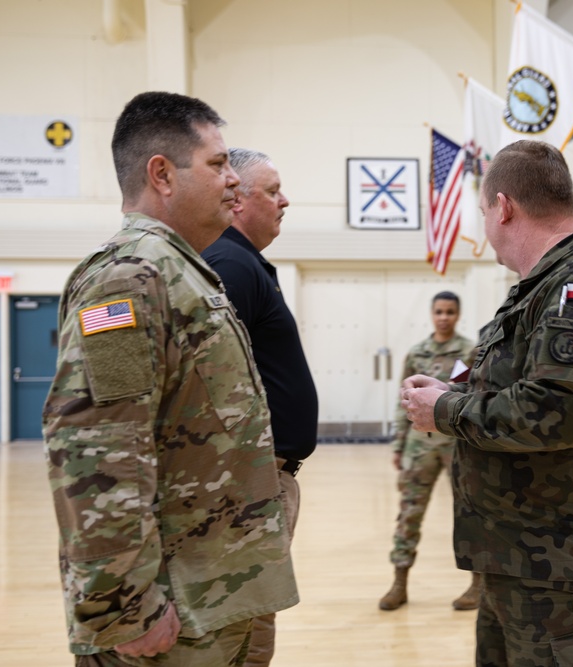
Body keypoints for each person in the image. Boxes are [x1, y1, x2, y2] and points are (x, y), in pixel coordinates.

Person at [42, 91, 298, 667]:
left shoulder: (182, 269)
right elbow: (97, 451)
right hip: (168, 614)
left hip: (209, 594)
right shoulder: (128, 279)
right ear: (162, 174)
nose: (234, 180)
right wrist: (123, 608)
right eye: (217, 164)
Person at [401, 140, 573, 667]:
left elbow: (553, 413)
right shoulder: (537, 289)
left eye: (483, 212)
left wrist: (444, 413)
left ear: (504, 207)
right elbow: (532, 391)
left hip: (571, 573)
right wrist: (457, 395)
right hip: (524, 558)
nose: (485, 224)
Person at [201, 148, 318, 667]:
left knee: (254, 618)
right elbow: (213, 377)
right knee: (240, 628)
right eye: (272, 191)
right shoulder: (231, 263)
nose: (284, 200)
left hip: (265, 478)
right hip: (247, 483)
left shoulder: (245, 262)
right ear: (238, 200)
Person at [379, 291, 478, 612]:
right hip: (419, 446)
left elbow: (468, 394)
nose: (444, 317)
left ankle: (478, 583)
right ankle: (399, 582)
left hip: (456, 445)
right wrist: (399, 444)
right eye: (439, 311)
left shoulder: (466, 353)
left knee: (469, 513)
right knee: (409, 512)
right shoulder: (417, 353)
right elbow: (404, 400)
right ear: (432, 314)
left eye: (450, 312)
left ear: (457, 315)